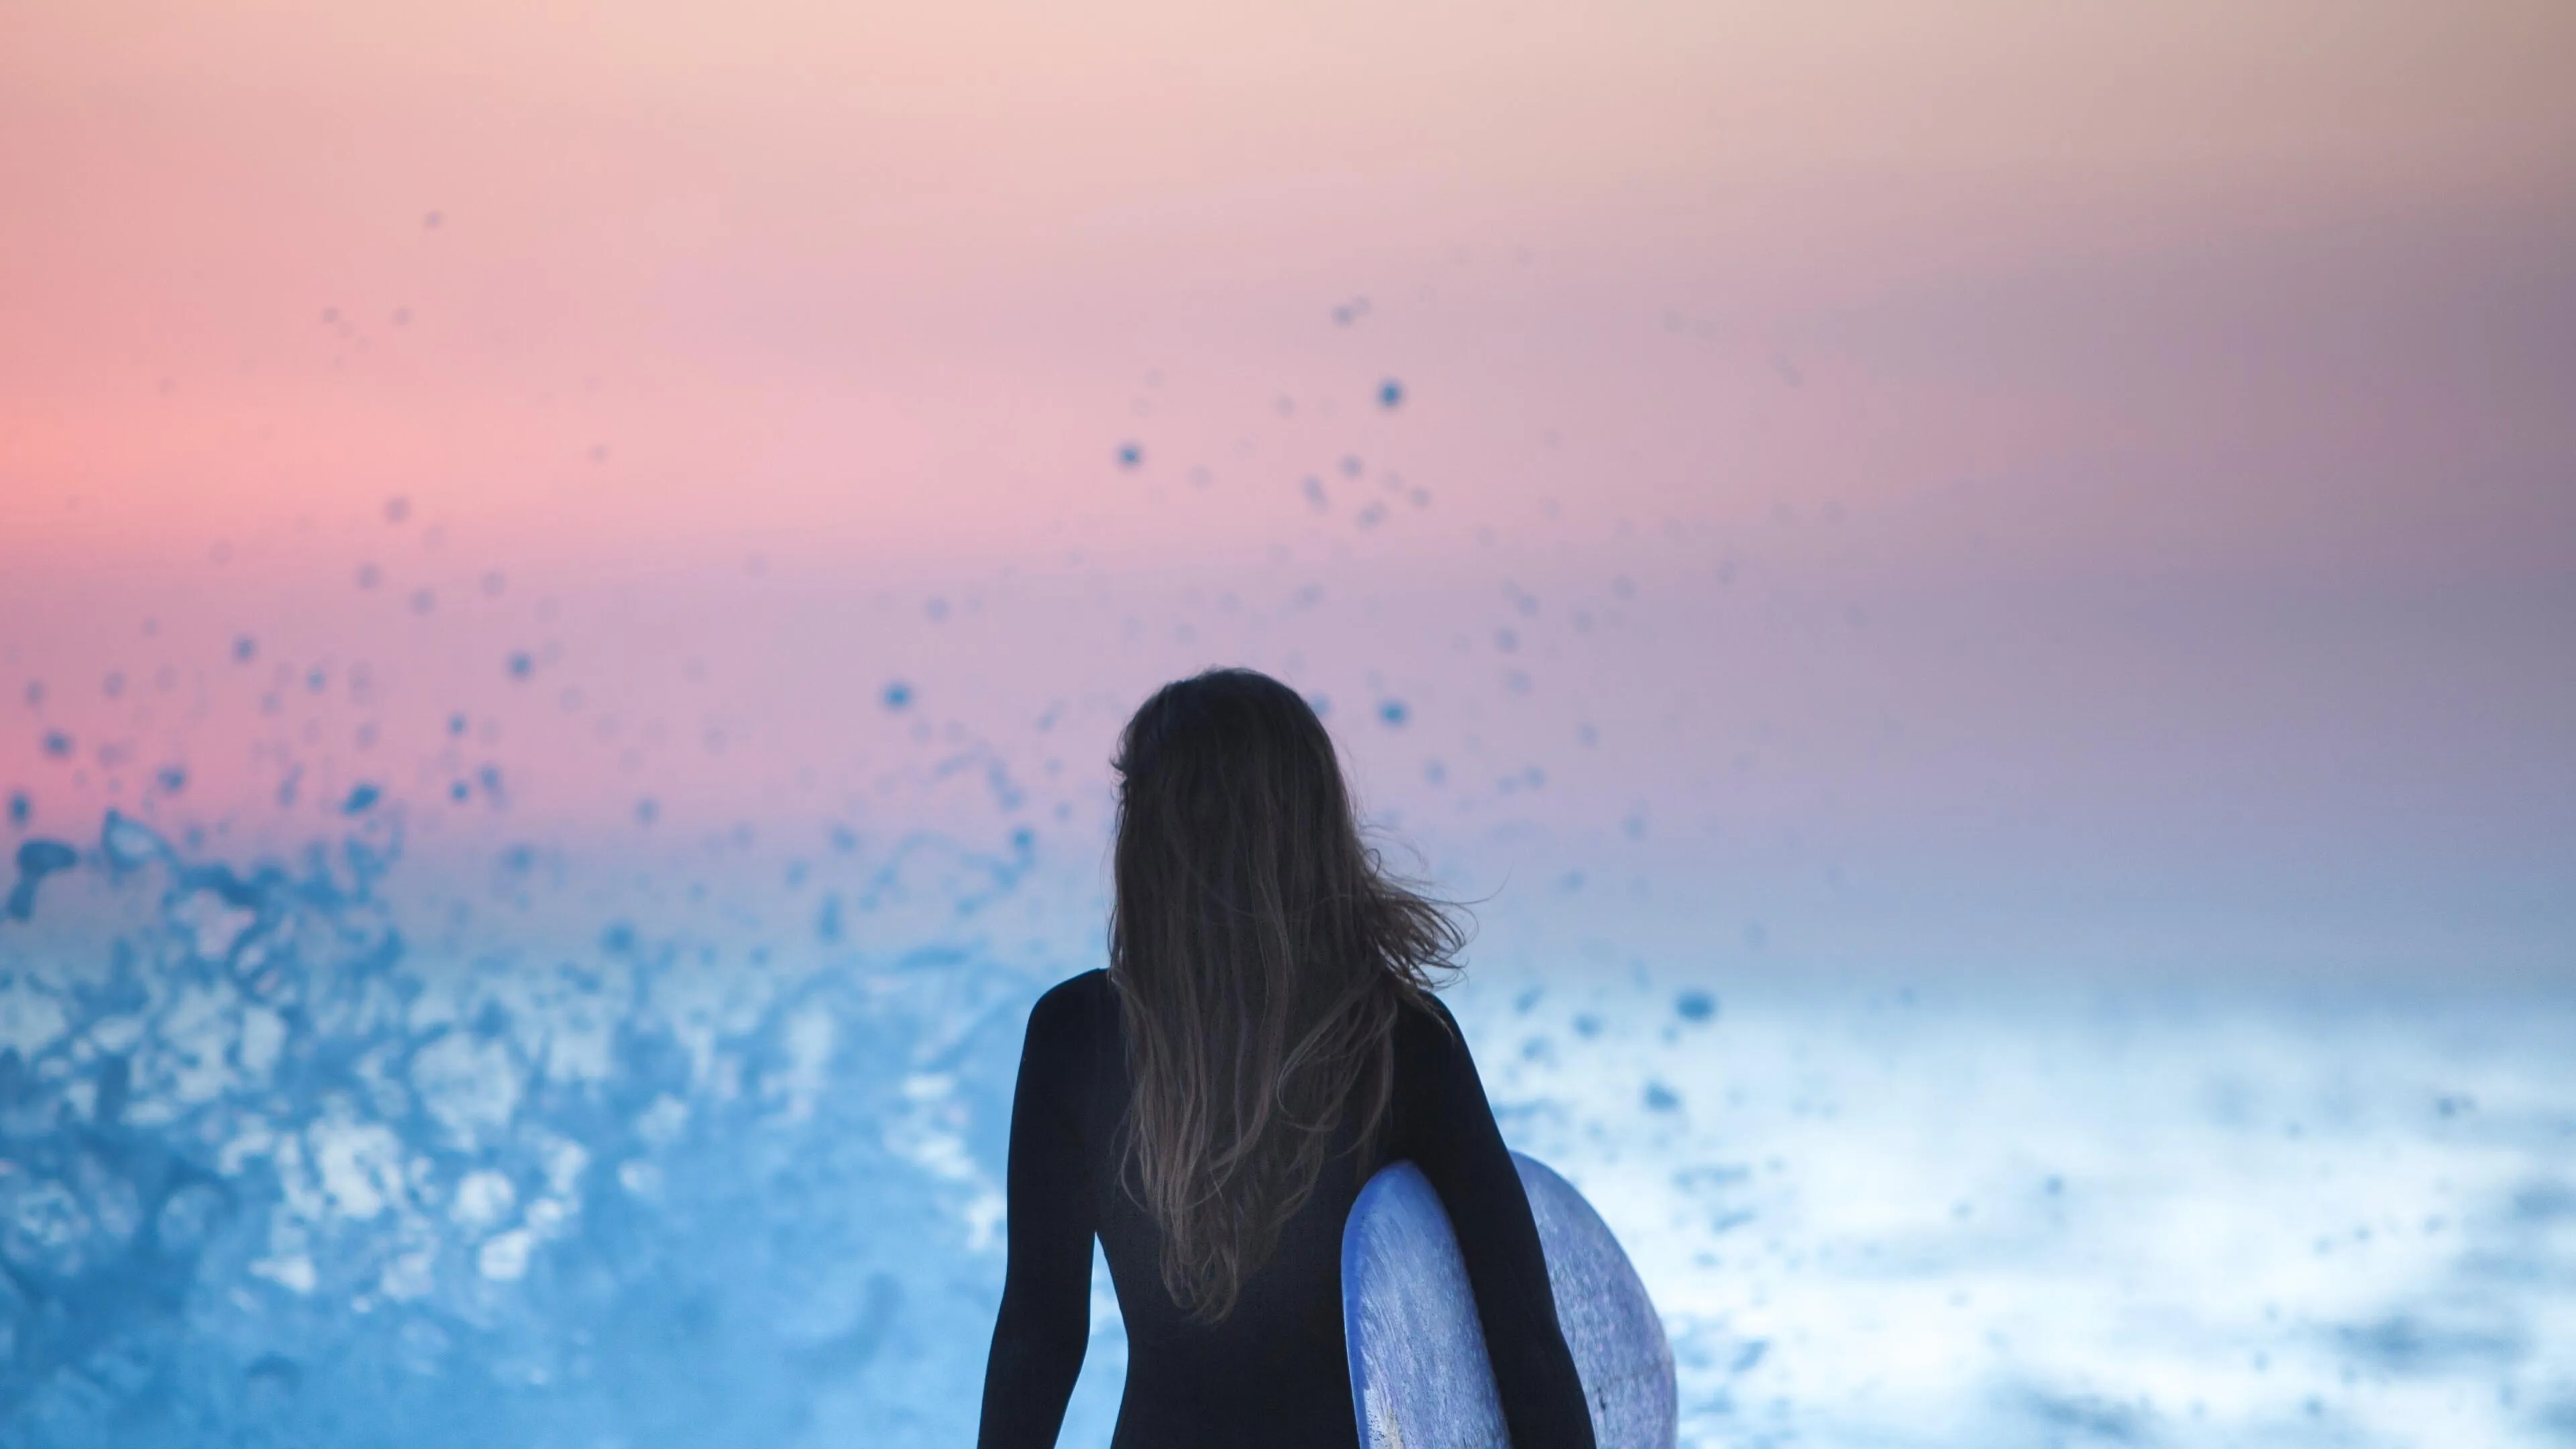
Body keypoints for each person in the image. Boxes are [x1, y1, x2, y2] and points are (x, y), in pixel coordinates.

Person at [977, 667, 1598, 1448]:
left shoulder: (1076, 1038)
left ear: (1161, 840)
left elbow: (1039, 1336)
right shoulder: (1400, 1040)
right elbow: (1524, 1343)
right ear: (1310, 830)